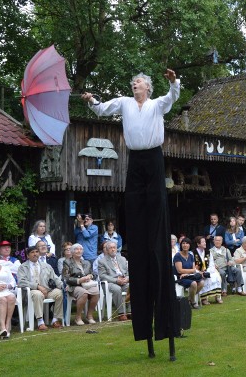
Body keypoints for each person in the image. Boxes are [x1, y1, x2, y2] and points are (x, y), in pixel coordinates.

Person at [83, 70, 179, 359]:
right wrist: (90, 101)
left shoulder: (156, 104)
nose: (133, 85)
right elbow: (102, 108)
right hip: (136, 160)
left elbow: (173, 96)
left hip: (154, 158)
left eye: (137, 82)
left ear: (147, 87)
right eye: (132, 82)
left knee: (156, 207)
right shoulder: (124, 103)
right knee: (135, 206)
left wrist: (174, 81)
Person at [17, 246, 64, 330]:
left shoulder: (46, 266)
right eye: (32, 252)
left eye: (36, 252)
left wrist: (63, 286)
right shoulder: (23, 267)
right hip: (31, 292)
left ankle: (55, 320)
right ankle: (40, 322)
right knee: (37, 294)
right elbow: (21, 282)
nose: (35, 254)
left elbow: (55, 278)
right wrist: (37, 286)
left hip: (47, 291)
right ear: (28, 255)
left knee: (59, 293)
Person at [62, 243, 100, 326]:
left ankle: (89, 315)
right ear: (72, 252)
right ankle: (78, 317)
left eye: (80, 249)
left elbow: (94, 273)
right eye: (76, 249)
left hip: (87, 284)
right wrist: (79, 280)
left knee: (96, 291)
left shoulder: (87, 262)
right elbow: (66, 278)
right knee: (83, 293)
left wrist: (90, 276)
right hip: (74, 286)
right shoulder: (67, 262)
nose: (79, 251)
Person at [98, 241, 130, 321]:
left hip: (124, 280)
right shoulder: (102, 261)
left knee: (133, 286)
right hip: (110, 282)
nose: (113, 249)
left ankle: (130, 312)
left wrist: (127, 278)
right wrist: (116, 280)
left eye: (114, 248)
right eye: (110, 248)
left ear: (116, 249)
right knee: (117, 289)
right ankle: (121, 313)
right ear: (107, 250)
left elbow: (129, 272)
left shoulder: (122, 259)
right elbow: (102, 276)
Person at [173, 238, 204, 309]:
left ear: (190, 245)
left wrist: (187, 273)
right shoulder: (177, 256)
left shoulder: (191, 256)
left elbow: (193, 270)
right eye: (183, 243)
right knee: (193, 283)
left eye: (187, 243)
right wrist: (189, 271)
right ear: (181, 245)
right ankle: (193, 302)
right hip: (180, 277)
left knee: (201, 282)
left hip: (189, 276)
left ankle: (188, 300)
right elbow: (180, 271)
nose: (185, 245)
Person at [193, 236, 223, 304]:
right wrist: (200, 272)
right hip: (197, 272)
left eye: (205, 241)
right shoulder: (193, 253)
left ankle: (217, 297)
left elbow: (212, 264)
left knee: (216, 277)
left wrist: (207, 271)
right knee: (204, 279)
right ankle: (204, 299)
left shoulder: (208, 252)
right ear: (198, 244)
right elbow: (192, 266)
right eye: (203, 242)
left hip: (208, 271)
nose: (205, 243)